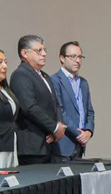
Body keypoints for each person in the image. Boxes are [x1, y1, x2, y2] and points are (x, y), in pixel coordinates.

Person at [10, 34, 76, 165]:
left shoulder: (45, 76)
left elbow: (56, 104)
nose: (44, 54)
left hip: (50, 144)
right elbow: (30, 107)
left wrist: (59, 126)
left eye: (44, 50)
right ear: (24, 53)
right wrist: (54, 128)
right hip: (33, 146)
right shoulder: (20, 75)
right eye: (39, 50)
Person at [49, 41, 93, 160]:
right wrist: (79, 135)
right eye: (73, 56)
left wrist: (88, 132)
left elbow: (89, 111)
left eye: (80, 57)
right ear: (62, 58)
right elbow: (60, 112)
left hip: (80, 146)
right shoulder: (54, 80)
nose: (77, 60)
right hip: (64, 144)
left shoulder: (83, 83)